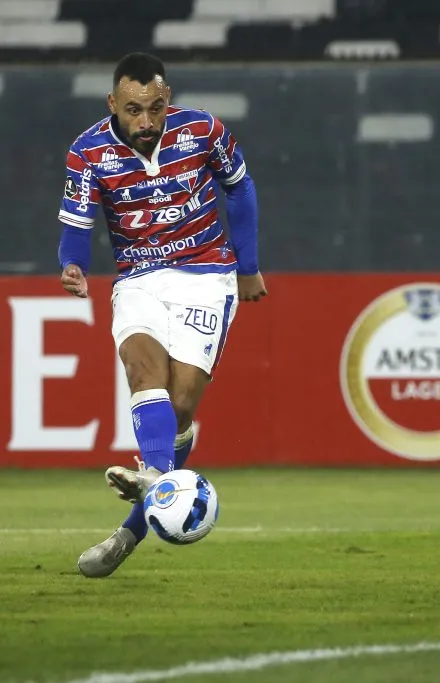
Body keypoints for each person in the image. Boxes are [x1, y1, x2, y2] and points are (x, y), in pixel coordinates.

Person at [58, 52, 267, 578]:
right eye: (133, 110)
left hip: (207, 274)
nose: (145, 121)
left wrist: (250, 265)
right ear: (113, 104)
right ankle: (155, 484)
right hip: (138, 278)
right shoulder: (88, 153)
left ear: (167, 99)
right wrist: (74, 266)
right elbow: (76, 224)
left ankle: (132, 526)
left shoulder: (202, 131)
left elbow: (239, 186)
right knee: (142, 371)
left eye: (154, 108)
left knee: (180, 404)